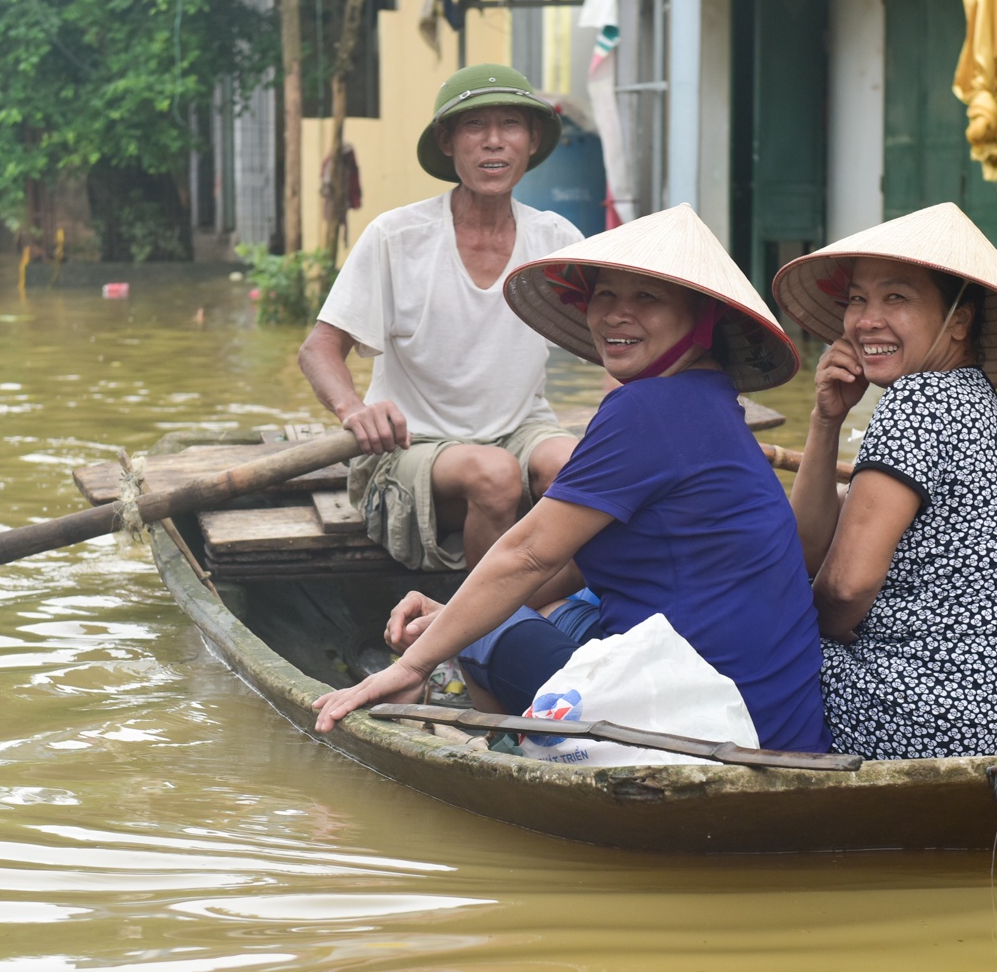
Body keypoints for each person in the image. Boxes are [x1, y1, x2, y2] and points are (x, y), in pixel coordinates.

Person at [312, 205, 830, 755]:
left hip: (698, 725)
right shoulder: (712, 397)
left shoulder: (643, 409)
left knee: (487, 634)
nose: (616, 315)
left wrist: (415, 663)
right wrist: (452, 619)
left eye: (647, 298)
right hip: (779, 721)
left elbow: (527, 554)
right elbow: (570, 556)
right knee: (537, 611)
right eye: (605, 295)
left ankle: (507, 750)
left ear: (702, 319)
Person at [772, 202, 997, 760]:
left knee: (742, 631)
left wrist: (783, 627)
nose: (866, 321)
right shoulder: (975, 400)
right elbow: (808, 549)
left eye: (896, 298)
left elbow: (844, 588)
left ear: (958, 321)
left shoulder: (918, 400)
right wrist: (826, 420)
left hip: (930, 720)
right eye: (857, 299)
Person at [299, 64, 585, 574]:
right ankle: (485, 619)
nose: (494, 141)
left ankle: (546, 608)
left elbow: (611, 340)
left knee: (580, 471)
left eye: (510, 125)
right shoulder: (397, 236)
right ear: (447, 141)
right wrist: (353, 409)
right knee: (494, 475)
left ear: (533, 139)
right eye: (475, 126)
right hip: (413, 447)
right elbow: (319, 349)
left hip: (523, 430)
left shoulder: (557, 238)